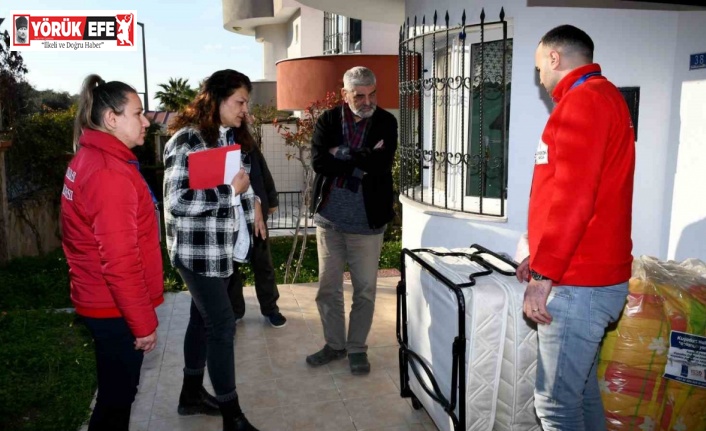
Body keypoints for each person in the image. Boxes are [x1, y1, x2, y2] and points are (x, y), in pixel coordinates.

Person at [516, 25, 635, 430]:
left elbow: (573, 199)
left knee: (554, 405)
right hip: (588, 276)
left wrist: (544, 275)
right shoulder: (603, 98)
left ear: (554, 57)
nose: (541, 80)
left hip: (579, 284)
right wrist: (540, 256)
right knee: (580, 397)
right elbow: (581, 198)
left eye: (538, 69)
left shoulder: (583, 102)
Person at [61, 74, 164, 431]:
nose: (146, 121)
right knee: (117, 400)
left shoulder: (91, 157)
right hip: (112, 306)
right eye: (138, 113)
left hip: (100, 298)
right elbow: (120, 261)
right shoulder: (108, 172)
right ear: (111, 119)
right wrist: (143, 323)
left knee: (114, 395)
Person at [163, 69, 263, 431]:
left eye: (246, 103)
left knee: (201, 321)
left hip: (221, 249)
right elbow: (176, 201)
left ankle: (190, 395)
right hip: (195, 252)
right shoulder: (186, 140)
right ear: (217, 100)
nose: (244, 110)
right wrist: (230, 193)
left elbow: (241, 181)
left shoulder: (228, 139)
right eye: (239, 102)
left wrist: (251, 202)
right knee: (222, 324)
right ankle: (232, 416)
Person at [305, 66, 398, 375]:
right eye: (360, 95)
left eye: (372, 94)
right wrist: (361, 158)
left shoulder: (386, 122)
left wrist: (341, 154)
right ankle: (334, 345)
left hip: (367, 225)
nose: (367, 100)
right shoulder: (329, 120)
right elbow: (319, 161)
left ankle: (357, 347)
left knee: (365, 291)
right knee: (328, 289)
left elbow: (382, 164)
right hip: (329, 221)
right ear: (345, 94)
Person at [227, 141, 287, 328]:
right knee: (231, 267)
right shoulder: (214, 144)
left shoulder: (248, 144)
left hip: (255, 216)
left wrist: (271, 198)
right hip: (229, 217)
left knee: (263, 264)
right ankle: (235, 311)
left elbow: (263, 172)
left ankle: (271, 309)